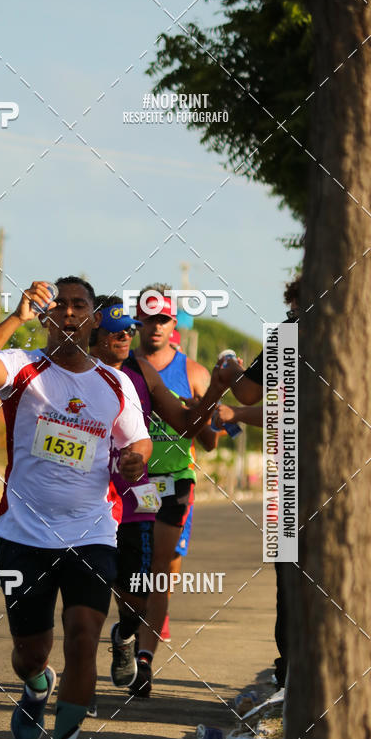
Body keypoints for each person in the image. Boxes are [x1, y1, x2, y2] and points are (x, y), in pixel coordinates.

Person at [0, 277, 152, 739]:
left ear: (93, 319)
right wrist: (16, 316)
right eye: (58, 304)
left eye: (78, 305)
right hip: (23, 533)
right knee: (30, 652)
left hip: (93, 532)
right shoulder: (22, 367)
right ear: (47, 317)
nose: (67, 312)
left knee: (84, 636)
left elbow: (138, 440)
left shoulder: (116, 382)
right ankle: (35, 685)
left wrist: (136, 459)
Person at [89, 298, 225, 695]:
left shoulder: (139, 369)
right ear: (93, 332)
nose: (127, 336)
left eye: (129, 329)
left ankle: (130, 639)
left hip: (142, 493)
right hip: (86, 498)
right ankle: (79, 688)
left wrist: (215, 387)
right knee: (86, 590)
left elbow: (187, 425)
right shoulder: (68, 370)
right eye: (120, 330)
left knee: (143, 586)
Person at [132, 285, 220, 695]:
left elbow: (210, 441)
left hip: (173, 481)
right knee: (127, 574)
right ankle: (131, 628)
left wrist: (203, 417)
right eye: (148, 320)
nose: (155, 328)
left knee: (162, 570)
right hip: (128, 483)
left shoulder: (193, 373)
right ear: (137, 321)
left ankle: (144, 661)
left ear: (173, 324)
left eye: (163, 320)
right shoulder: (120, 365)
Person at [217, 276, 300, 688]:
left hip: (293, 478)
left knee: (289, 573)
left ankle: (289, 670)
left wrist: (232, 370)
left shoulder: (292, 335)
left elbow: (251, 395)